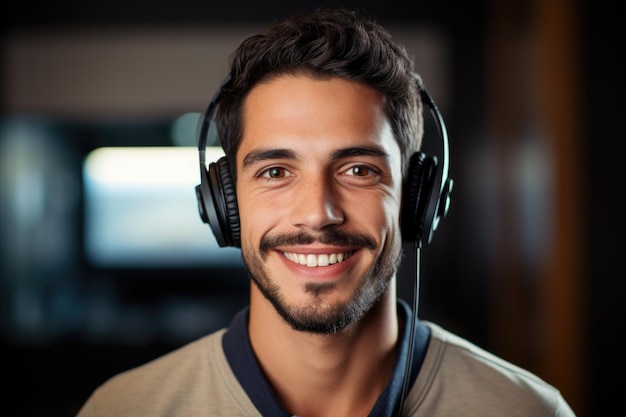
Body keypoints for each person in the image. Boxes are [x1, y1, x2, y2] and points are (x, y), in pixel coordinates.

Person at [76, 8, 576, 417]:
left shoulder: (526, 410)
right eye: (275, 172)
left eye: (358, 170)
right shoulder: (124, 408)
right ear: (224, 202)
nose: (317, 214)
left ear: (417, 199)